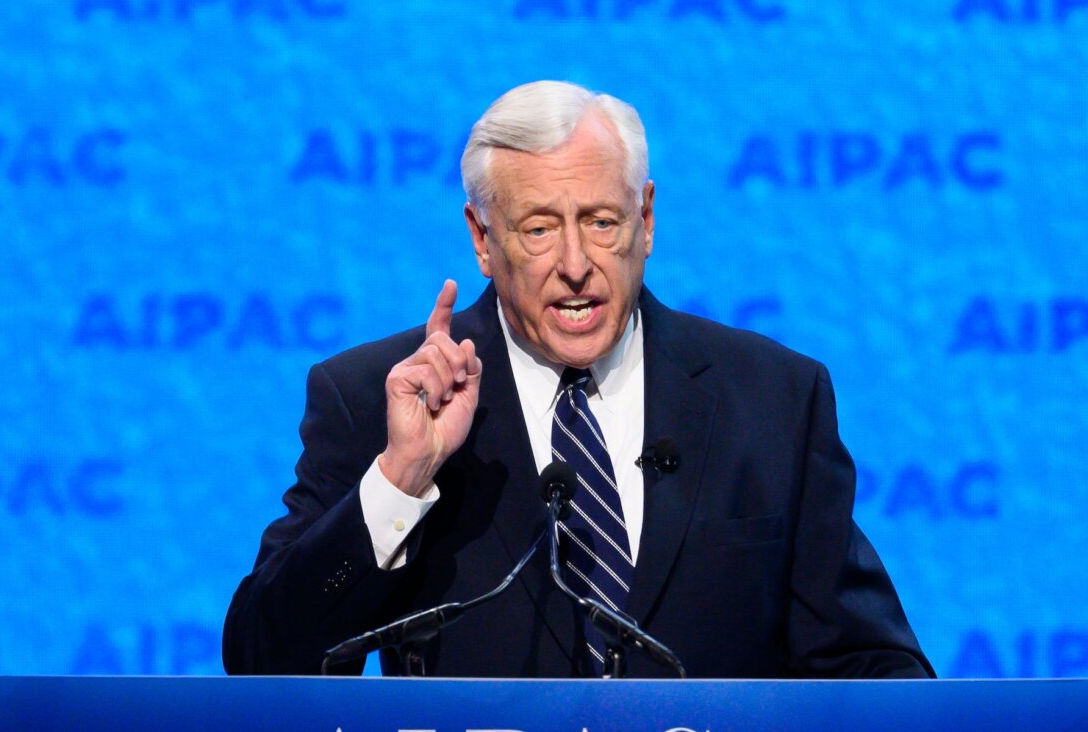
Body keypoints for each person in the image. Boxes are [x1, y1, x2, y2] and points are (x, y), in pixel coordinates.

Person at [223, 80, 934, 679]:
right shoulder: (376, 397)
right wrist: (399, 479)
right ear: (481, 238)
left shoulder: (773, 399)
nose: (574, 263)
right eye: (537, 228)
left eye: (600, 221)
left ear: (646, 220)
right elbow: (263, 662)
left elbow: (874, 670)